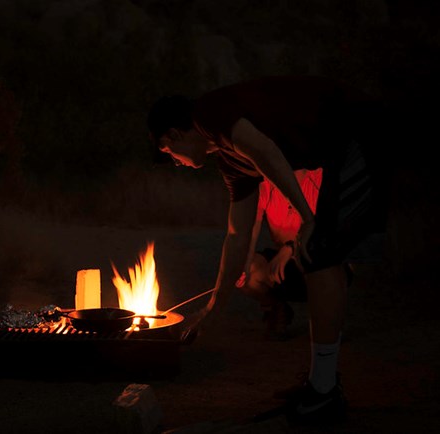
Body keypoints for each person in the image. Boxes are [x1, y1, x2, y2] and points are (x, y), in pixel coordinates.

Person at [146, 75, 392, 426]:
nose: (176, 162)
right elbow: (237, 234)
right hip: (343, 142)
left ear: (173, 135)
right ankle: (321, 385)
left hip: (359, 128)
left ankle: (324, 394)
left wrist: (307, 218)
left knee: (320, 254)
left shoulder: (209, 113)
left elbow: (266, 152)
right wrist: (214, 308)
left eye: (169, 153)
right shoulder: (229, 160)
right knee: (319, 253)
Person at [237, 167, 323, 341]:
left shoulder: (319, 178)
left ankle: (327, 322)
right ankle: (276, 308)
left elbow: (326, 229)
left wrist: (292, 247)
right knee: (246, 269)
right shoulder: (265, 185)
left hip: (320, 259)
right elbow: (251, 230)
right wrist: (242, 267)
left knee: (319, 271)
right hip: (284, 264)